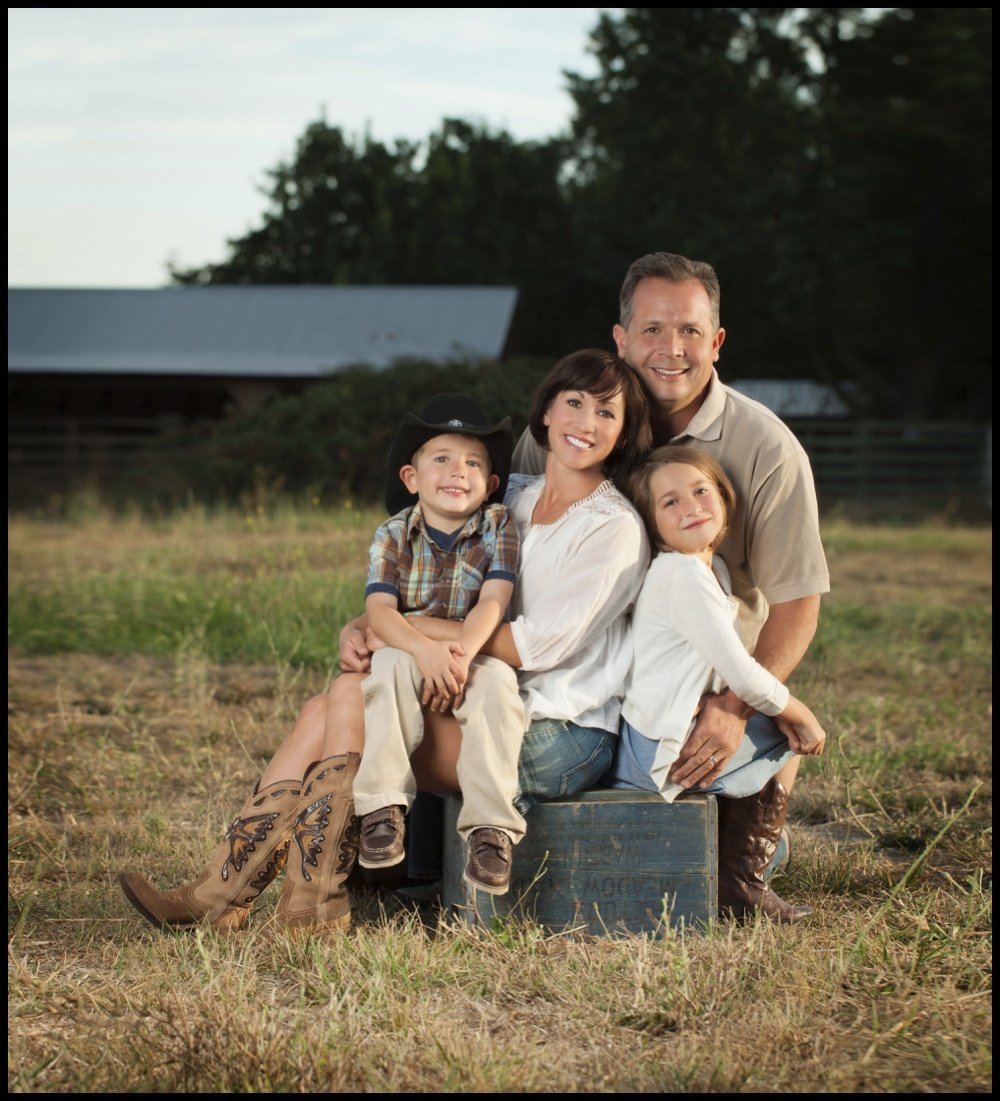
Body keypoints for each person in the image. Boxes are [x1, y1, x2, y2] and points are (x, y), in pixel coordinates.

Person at [118, 348, 652, 935]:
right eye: (573, 402)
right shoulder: (511, 496)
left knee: (343, 704)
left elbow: (536, 649)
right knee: (330, 704)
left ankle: (250, 896)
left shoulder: (613, 529)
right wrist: (365, 622)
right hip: (471, 687)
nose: (586, 422)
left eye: (607, 413)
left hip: (559, 732)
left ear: (624, 433)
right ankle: (255, 895)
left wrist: (403, 628)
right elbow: (444, 582)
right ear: (545, 412)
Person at [511, 251, 831, 921]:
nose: (671, 349)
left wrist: (734, 705)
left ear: (716, 342)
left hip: (695, 687)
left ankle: (740, 873)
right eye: (652, 329)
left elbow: (797, 600)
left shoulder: (765, 448)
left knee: (776, 727)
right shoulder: (566, 431)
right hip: (576, 676)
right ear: (620, 339)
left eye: (689, 330)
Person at [607, 443, 826, 920]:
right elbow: (741, 671)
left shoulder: (708, 569)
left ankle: (734, 870)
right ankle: (742, 883)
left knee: (770, 728)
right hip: (657, 749)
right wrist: (798, 712)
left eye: (700, 491)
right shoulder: (682, 574)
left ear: (724, 499)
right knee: (787, 738)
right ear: (653, 525)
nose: (690, 507)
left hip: (653, 734)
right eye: (670, 502)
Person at [353, 393, 526, 897]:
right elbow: (381, 612)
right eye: (442, 459)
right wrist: (425, 653)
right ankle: (382, 808)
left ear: (491, 484)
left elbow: (493, 601)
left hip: (470, 653)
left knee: (499, 687)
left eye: (474, 462)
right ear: (412, 478)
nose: (458, 471)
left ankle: (491, 830)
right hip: (408, 649)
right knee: (384, 671)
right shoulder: (392, 534)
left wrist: (462, 655)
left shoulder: (498, 526)